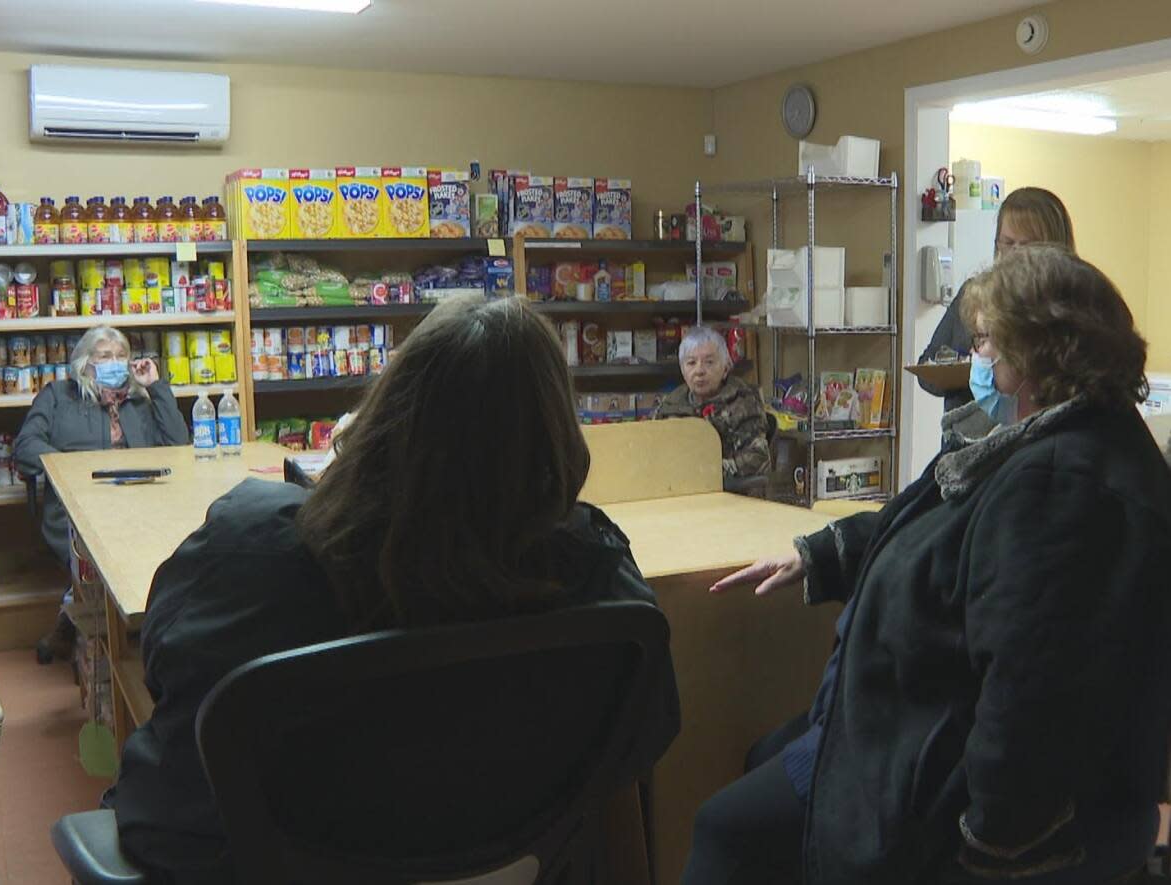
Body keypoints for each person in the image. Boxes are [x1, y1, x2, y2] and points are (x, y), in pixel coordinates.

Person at [106, 294, 681, 884]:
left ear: (384, 411)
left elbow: (164, 661)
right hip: (501, 858)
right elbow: (644, 731)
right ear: (556, 432)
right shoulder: (593, 571)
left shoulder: (251, 544)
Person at [684, 246, 1171, 885]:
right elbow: (936, 527)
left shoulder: (1066, 484)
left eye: (989, 342)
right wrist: (823, 553)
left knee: (727, 831)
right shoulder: (1044, 443)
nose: (980, 360)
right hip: (901, 724)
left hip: (926, 760)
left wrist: (993, 847)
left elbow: (1031, 695)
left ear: (1042, 351)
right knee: (761, 764)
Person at [15, 325, 188, 663]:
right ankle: (86, 623)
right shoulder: (58, 396)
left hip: (142, 500)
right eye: (105, 356)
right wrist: (70, 469)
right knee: (104, 551)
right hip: (80, 504)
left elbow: (178, 445)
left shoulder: (140, 399)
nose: (115, 362)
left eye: (121, 355)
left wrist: (158, 387)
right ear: (85, 363)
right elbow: (26, 446)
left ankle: (106, 623)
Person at [918, 186, 1076, 413]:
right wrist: (977, 371)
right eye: (1009, 243)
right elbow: (928, 370)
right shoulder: (975, 296)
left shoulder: (1073, 307)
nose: (1017, 255)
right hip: (965, 435)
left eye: (1029, 245)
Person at [653, 325, 769, 480]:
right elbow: (650, 450)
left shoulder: (743, 402)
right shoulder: (671, 405)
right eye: (691, 363)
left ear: (725, 369)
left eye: (709, 362)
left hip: (728, 493)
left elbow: (758, 458)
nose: (699, 371)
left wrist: (707, 472)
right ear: (682, 370)